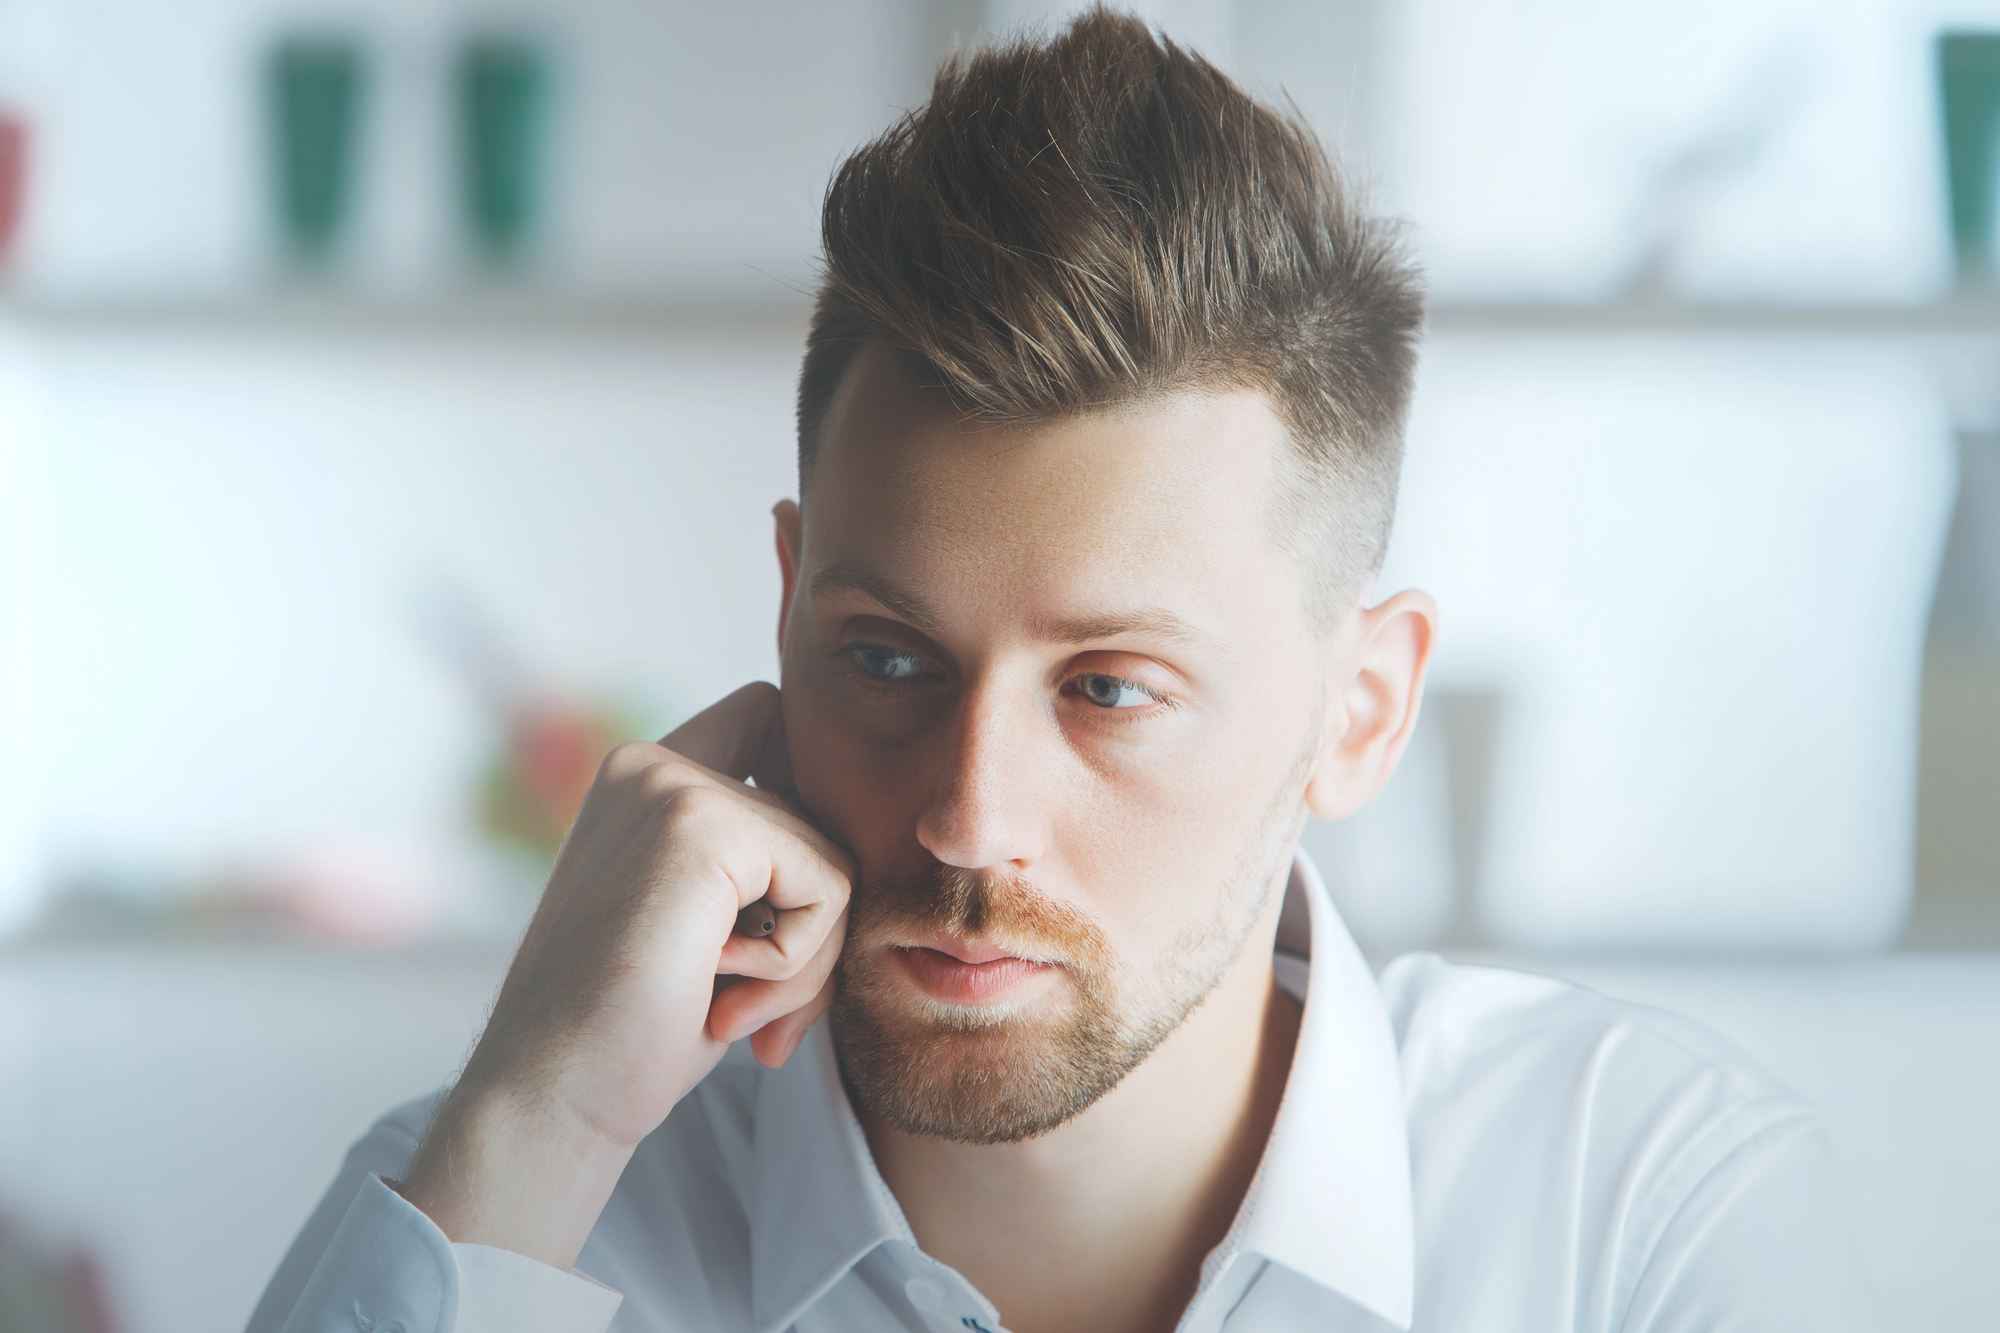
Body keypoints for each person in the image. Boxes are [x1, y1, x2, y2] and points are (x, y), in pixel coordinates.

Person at [249, 12, 1875, 1333]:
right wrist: (540, 1122)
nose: (968, 817)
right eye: (887, 656)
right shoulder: (502, 1214)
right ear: (788, 608)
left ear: (1359, 708)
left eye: (1108, 687)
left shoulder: (1640, 1210)